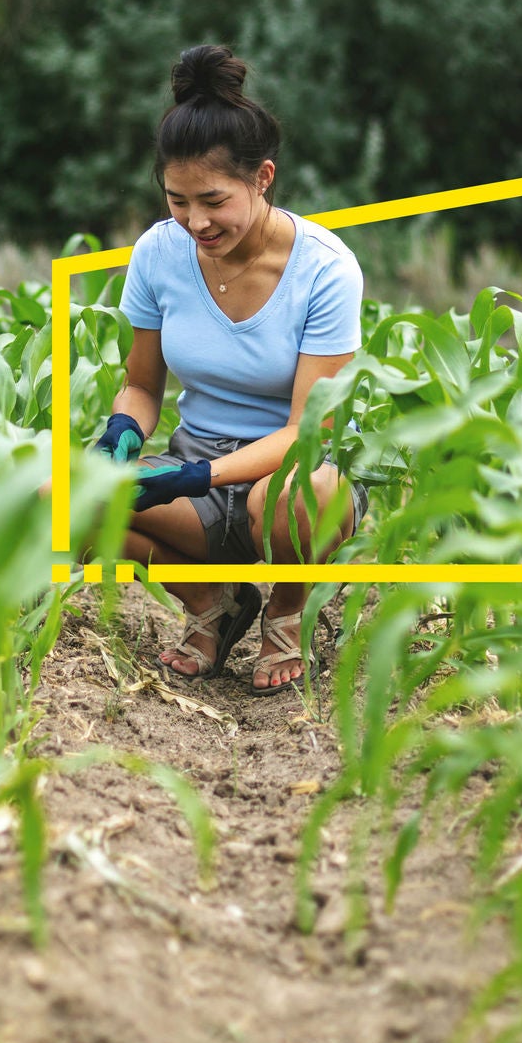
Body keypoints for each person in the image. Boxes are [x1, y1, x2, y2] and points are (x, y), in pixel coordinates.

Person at [89, 44, 367, 693]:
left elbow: (309, 429)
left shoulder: (325, 269)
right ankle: (216, 603)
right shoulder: (158, 254)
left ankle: (289, 611)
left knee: (300, 494)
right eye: (177, 201)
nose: (195, 222)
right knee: (67, 495)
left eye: (213, 200)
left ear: (263, 177)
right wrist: (118, 439)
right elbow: (140, 384)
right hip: (202, 478)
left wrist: (193, 475)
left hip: (293, 474)